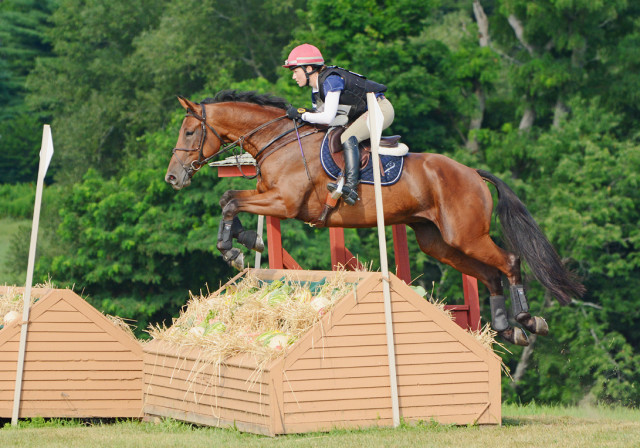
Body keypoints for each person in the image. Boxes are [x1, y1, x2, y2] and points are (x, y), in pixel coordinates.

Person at [283, 43, 394, 205]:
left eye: (295, 71)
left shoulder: (331, 81)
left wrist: (303, 115)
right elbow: (321, 119)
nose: (293, 76)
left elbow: (327, 118)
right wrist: (301, 115)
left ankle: (351, 187)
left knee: (348, 136)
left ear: (308, 69)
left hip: (380, 109)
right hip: (361, 114)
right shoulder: (316, 90)